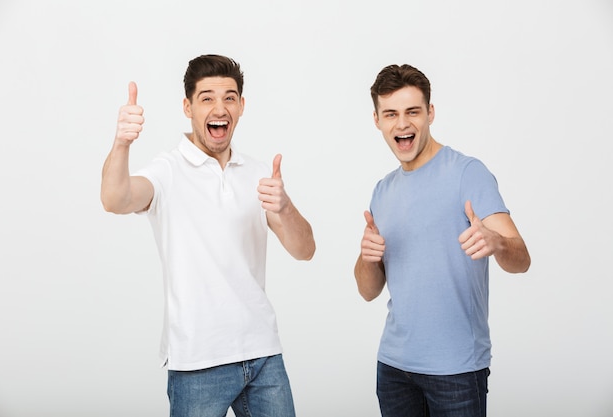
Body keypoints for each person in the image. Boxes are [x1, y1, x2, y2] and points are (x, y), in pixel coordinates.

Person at [101, 54, 315, 417]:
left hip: (262, 354)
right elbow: (115, 199)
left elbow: (305, 250)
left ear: (242, 106)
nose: (220, 108)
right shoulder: (167, 171)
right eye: (207, 98)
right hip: (198, 360)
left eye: (230, 97)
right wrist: (122, 143)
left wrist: (285, 207)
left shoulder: (257, 172)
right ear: (188, 107)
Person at [354, 63, 531, 417]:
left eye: (412, 112)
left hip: (457, 370)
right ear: (377, 120)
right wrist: (367, 258)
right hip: (393, 368)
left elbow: (521, 259)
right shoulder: (382, 190)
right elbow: (368, 290)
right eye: (390, 114)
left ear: (430, 113)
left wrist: (495, 242)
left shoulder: (468, 173)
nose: (402, 124)